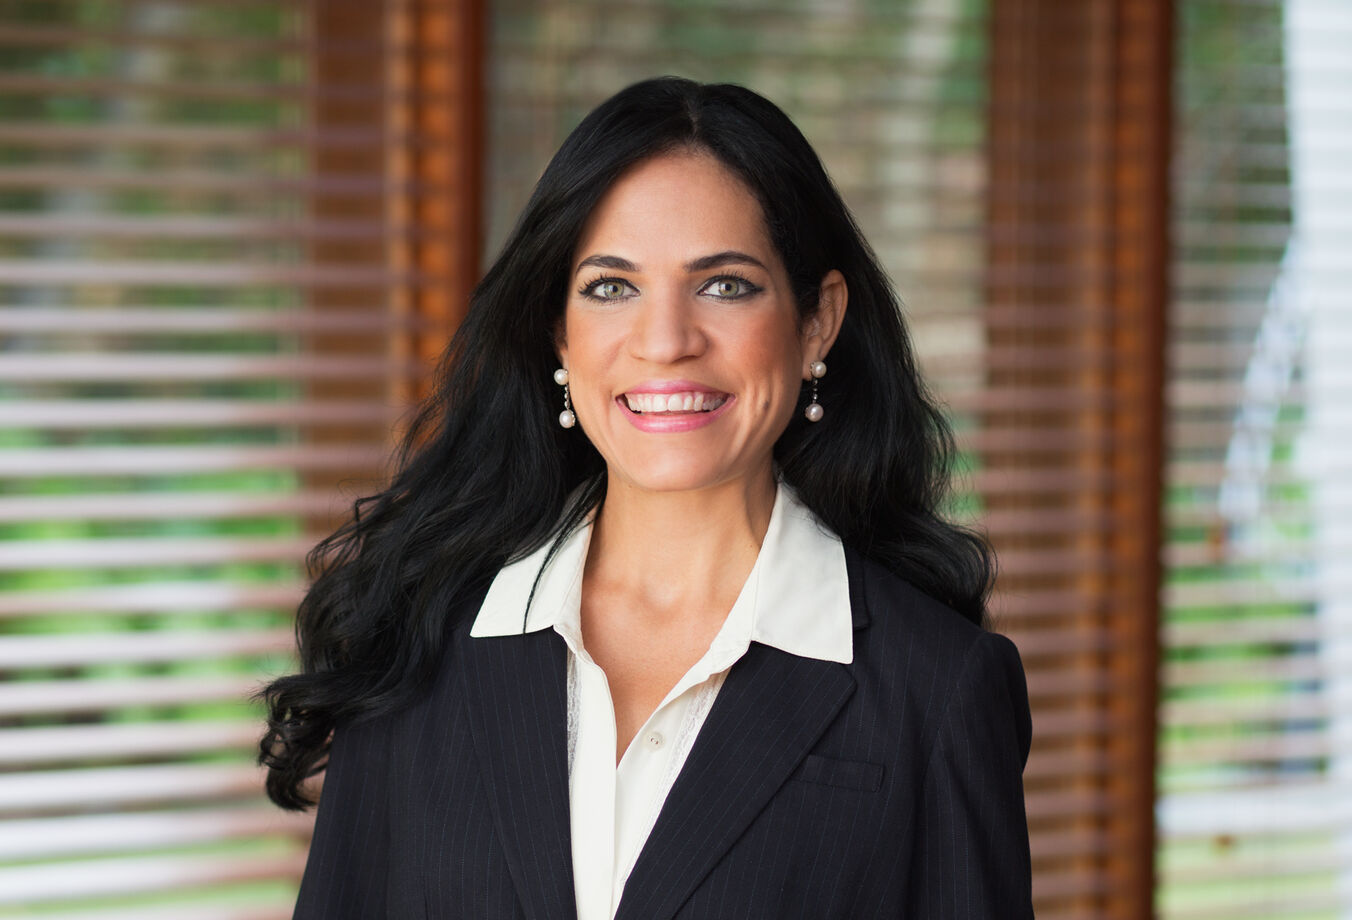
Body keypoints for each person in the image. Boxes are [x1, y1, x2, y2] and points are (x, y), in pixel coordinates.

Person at [259, 75, 1034, 919]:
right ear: (557, 333)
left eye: (725, 284)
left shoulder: (938, 687)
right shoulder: (415, 638)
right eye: (611, 287)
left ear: (817, 321)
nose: (665, 342)